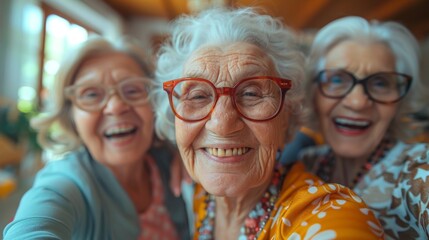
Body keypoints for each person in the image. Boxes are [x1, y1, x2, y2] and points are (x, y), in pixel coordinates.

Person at [153, 7, 384, 239]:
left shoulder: (327, 214)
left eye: (251, 94)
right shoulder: (201, 196)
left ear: (288, 115)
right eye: (198, 96)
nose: (222, 124)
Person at [3, 36, 190, 239]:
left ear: (155, 102)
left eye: (133, 90)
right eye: (91, 94)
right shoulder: (65, 183)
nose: (115, 106)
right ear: (71, 116)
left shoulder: (167, 161)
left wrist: (186, 151)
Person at [295, 16, 429, 239]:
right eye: (337, 80)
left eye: (380, 83)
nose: (357, 103)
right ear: (313, 93)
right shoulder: (306, 163)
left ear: (400, 100)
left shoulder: (418, 170)